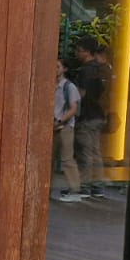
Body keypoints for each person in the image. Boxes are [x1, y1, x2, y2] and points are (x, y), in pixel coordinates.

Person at [71, 36, 110, 199]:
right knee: (95, 151)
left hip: (87, 116)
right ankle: (97, 185)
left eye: (79, 50)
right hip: (99, 114)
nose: (77, 53)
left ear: (86, 52)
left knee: (85, 152)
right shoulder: (101, 69)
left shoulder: (86, 70)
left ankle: (84, 186)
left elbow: (82, 94)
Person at [54, 60, 83, 202]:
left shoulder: (68, 87)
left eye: (57, 66)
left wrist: (60, 121)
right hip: (53, 125)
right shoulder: (51, 85)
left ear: (64, 69)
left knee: (67, 158)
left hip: (64, 126)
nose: (54, 69)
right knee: (49, 159)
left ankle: (75, 189)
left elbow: (73, 108)